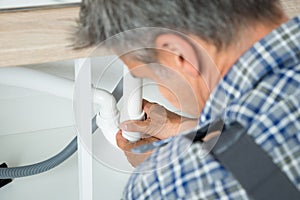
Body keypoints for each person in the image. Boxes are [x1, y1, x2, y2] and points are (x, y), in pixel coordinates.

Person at [75, 0, 300, 199]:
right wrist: (187, 138)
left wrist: (172, 169)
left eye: (148, 76)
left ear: (179, 54)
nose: (163, 94)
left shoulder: (168, 189)